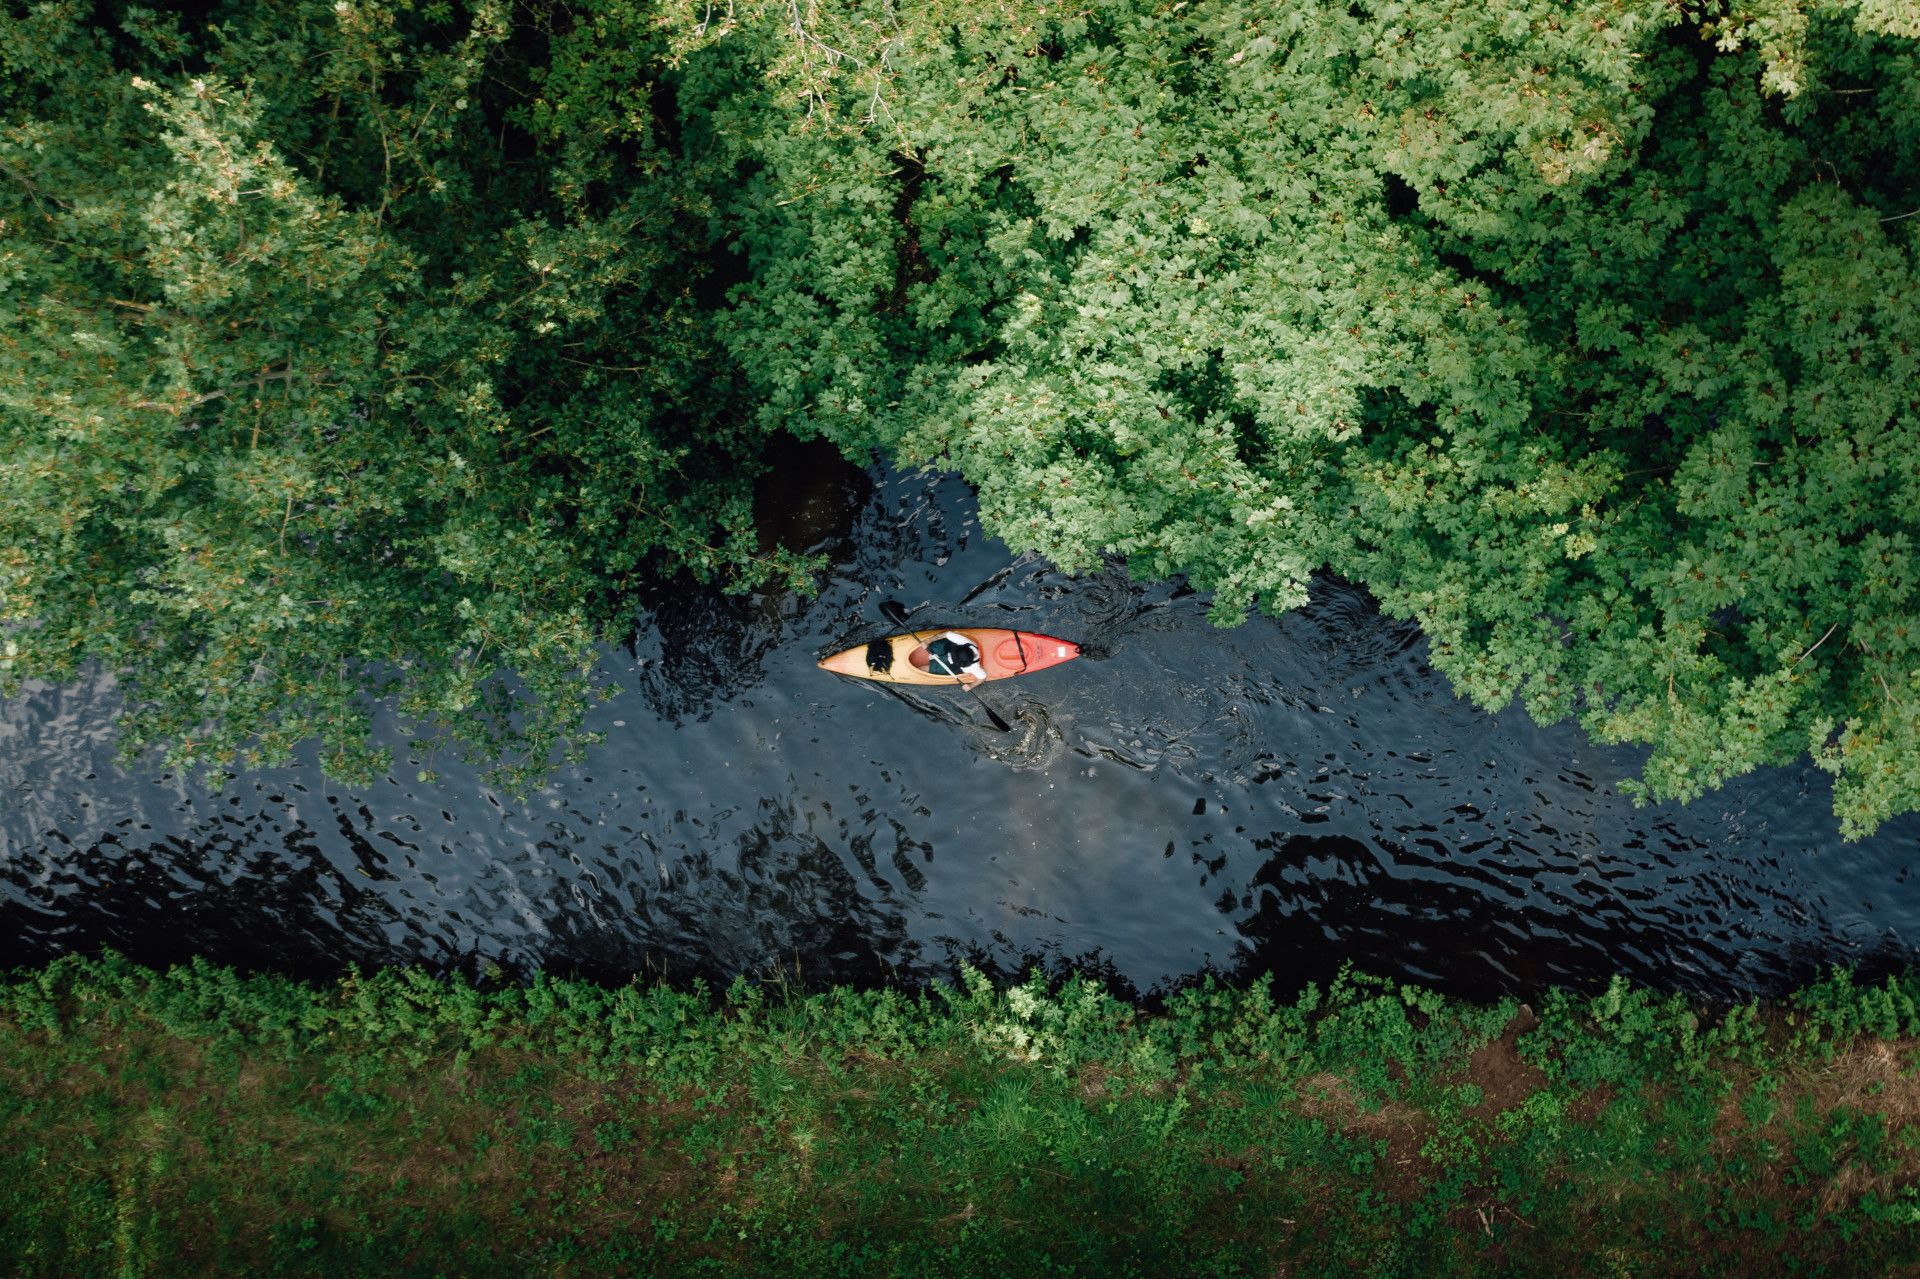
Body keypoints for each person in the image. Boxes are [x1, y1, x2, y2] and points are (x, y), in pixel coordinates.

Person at [908, 631, 987, 687]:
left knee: (927, 670)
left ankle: (915, 671)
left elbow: (983, 677)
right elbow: (946, 634)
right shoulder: (964, 642)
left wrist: (971, 686)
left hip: (950, 665)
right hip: (948, 648)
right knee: (937, 644)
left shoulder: (974, 667)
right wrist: (928, 640)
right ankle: (931, 648)